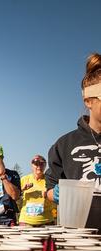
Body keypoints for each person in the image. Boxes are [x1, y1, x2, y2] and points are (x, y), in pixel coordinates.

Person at [46, 53, 101, 232]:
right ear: (88, 101)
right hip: (77, 237)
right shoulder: (65, 144)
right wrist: (54, 193)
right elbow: (50, 186)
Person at [0, 144, 21, 226]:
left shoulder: (12, 174)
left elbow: (15, 196)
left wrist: (3, 176)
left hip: (7, 218)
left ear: (2, 158)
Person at [19, 155, 55, 226]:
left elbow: (56, 198)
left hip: (46, 221)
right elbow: (15, 197)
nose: (39, 167)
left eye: (41, 164)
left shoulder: (49, 180)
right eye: (36, 164)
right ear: (32, 165)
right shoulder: (24, 179)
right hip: (26, 222)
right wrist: (22, 190)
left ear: (45, 165)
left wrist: (48, 195)